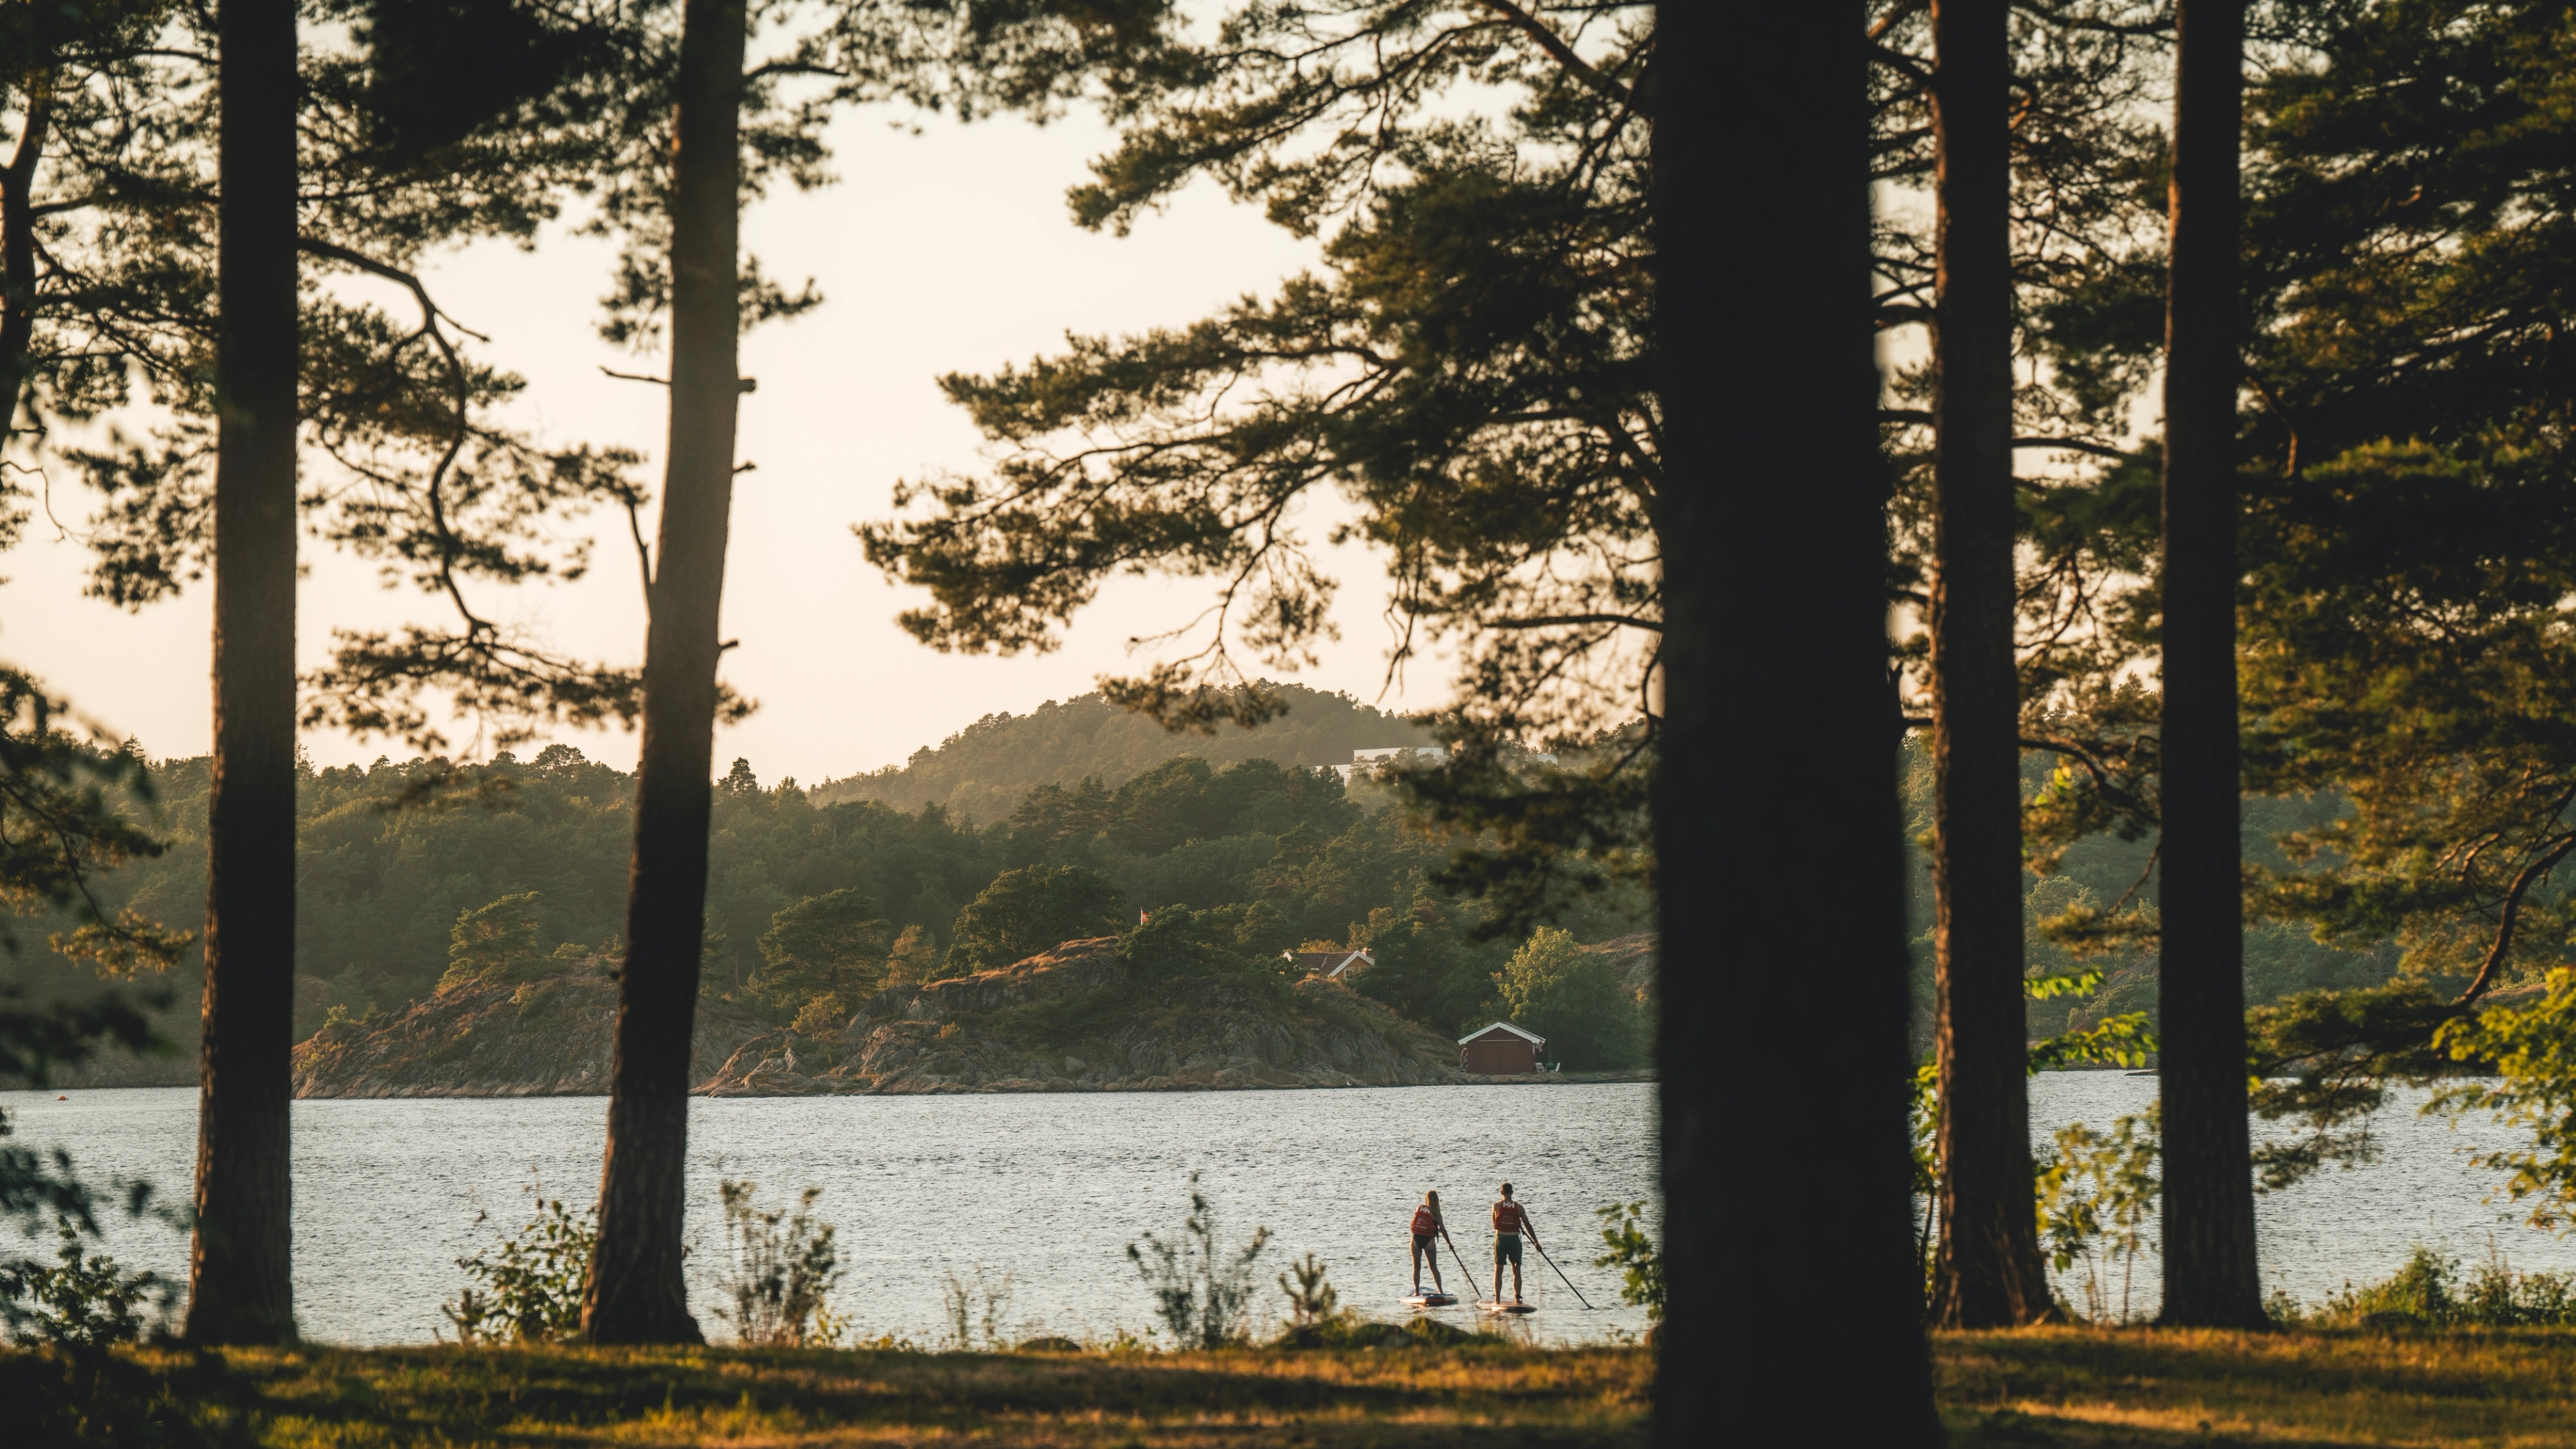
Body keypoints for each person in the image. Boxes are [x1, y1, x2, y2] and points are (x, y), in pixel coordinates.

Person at [1491, 1181, 1540, 1305]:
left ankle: (1497, 1300)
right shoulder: (1519, 1208)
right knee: (1516, 1270)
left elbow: (1494, 1224)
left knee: (1498, 1270)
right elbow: (1528, 1226)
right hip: (1514, 1240)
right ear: (1512, 1192)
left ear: (1501, 1193)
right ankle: (1517, 1299)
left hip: (1501, 1239)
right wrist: (1536, 1242)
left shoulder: (1496, 1206)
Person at [1409, 1191, 1447, 1295]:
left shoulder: (1419, 1208)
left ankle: (1416, 1291)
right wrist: (1449, 1244)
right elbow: (1443, 1230)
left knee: (1416, 1267)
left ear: (1427, 1199)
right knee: (1433, 1267)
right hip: (1429, 1242)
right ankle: (1441, 1291)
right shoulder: (1437, 1214)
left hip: (1416, 1240)